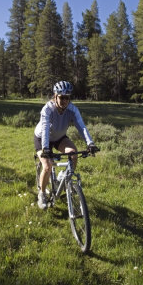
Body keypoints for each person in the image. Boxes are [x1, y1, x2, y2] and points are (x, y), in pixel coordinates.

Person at [34, 80, 98, 210]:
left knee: (73, 154)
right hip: (42, 138)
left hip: (59, 137)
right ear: (55, 96)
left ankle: (63, 178)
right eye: (61, 97)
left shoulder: (72, 109)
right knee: (47, 165)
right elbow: (45, 128)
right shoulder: (47, 109)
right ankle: (42, 194)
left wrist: (90, 143)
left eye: (67, 98)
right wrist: (46, 148)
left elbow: (81, 127)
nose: (64, 101)